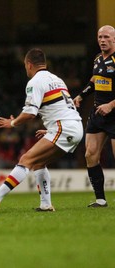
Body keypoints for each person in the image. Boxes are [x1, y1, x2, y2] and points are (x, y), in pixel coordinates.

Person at [0, 48, 83, 212]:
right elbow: (62, 107)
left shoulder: (35, 82)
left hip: (64, 127)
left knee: (26, 160)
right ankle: (45, 204)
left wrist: (13, 123)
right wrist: (52, 129)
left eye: (25, 65)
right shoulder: (57, 79)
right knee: (39, 163)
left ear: (29, 64)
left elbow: (30, 113)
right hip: (73, 126)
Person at [73, 25, 115, 208]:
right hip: (99, 113)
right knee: (90, 154)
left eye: (106, 37)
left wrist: (111, 105)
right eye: (100, 37)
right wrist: (82, 95)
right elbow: (95, 80)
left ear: (114, 39)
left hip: (114, 112)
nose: (102, 40)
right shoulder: (98, 59)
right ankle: (100, 199)